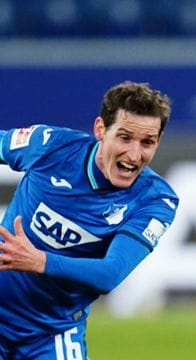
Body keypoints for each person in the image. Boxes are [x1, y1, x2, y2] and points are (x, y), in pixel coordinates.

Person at [0, 81, 178, 359]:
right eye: (124, 137)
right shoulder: (49, 146)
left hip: (52, 333)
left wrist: (39, 261)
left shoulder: (155, 200)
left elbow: (110, 273)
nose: (134, 155)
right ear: (100, 130)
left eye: (147, 142)